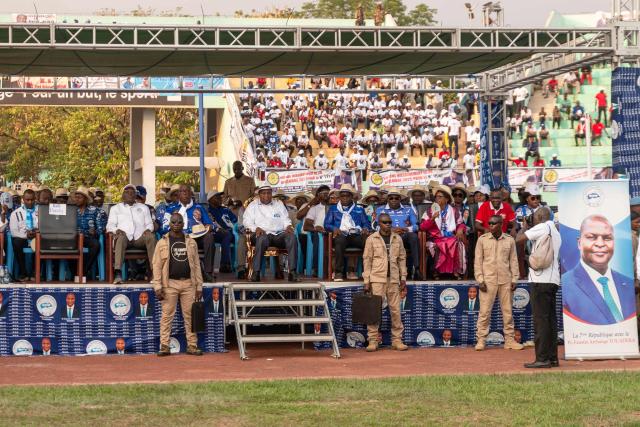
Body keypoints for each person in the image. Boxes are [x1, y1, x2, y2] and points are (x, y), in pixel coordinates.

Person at [563, 215, 636, 325]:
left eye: (607, 238)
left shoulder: (628, 283)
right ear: (579, 243)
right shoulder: (567, 284)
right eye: (592, 237)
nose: (600, 244)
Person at [153, 212, 203, 356]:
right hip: (169, 284)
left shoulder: (191, 241)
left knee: (190, 316)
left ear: (183, 224)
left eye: (179, 222)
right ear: (169, 224)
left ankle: (192, 346)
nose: (176, 225)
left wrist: (199, 286)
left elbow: (197, 266)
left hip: (188, 283)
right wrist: (157, 286)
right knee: (167, 316)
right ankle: (164, 346)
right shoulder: (162, 242)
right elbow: (156, 265)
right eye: (173, 222)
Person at [516, 207, 561, 368]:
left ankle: (542, 358)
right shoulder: (554, 230)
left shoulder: (542, 226)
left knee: (541, 321)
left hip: (541, 279)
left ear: (540, 216)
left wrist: (524, 226)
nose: (532, 219)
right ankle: (552, 358)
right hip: (552, 279)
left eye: (534, 216)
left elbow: (518, 239)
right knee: (550, 320)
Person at [474, 215, 523, 351]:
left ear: (501, 224)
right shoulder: (482, 240)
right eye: (489, 223)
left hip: (505, 280)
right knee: (484, 312)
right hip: (488, 280)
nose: (490, 225)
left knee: (507, 312)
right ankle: (481, 340)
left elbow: (513, 261)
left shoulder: (509, 240)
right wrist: (480, 280)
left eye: (493, 223)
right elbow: (478, 261)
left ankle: (509, 340)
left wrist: (514, 279)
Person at [362, 213, 408, 352]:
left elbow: (402, 259)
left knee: (395, 310)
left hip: (393, 279)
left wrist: (403, 277)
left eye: (389, 222)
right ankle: (373, 340)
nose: (388, 224)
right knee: (374, 311)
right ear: (379, 223)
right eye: (384, 222)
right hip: (377, 279)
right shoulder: (371, 239)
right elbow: (367, 260)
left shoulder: (397, 238)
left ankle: (397, 340)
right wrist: (366, 280)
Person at [160, 185, 216, 282]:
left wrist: (209, 227)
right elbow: (164, 228)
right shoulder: (171, 208)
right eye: (182, 191)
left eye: (187, 191)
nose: (185, 193)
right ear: (178, 195)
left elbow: (210, 224)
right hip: (179, 237)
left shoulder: (199, 207)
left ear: (191, 194)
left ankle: (207, 272)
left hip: (197, 237)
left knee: (209, 237)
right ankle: (172, 274)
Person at [243, 185, 298, 282]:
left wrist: (288, 226)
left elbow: (285, 219)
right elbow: (246, 221)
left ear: (271, 194)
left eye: (269, 193)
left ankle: (292, 272)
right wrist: (256, 228)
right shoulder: (253, 205)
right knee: (261, 238)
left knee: (292, 237)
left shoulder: (278, 203)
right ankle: (256, 273)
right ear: (259, 194)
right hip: (261, 234)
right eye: (264, 193)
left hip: (278, 235)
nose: (267, 195)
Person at [106, 184, 156, 284]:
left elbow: (150, 224)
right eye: (127, 192)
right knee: (120, 237)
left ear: (135, 196)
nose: (130, 194)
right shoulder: (115, 208)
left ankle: (155, 272)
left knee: (151, 236)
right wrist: (116, 230)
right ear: (122, 195)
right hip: (124, 239)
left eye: (132, 192)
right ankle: (118, 273)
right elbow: (109, 226)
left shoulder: (143, 208)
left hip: (140, 238)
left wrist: (148, 229)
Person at [324, 184, 372, 281]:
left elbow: (366, 223)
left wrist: (366, 228)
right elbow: (326, 224)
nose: (345, 198)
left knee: (369, 241)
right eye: (342, 195)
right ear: (340, 197)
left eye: (347, 195)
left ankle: (368, 271)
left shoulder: (359, 209)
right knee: (340, 241)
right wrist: (334, 229)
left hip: (356, 235)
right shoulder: (333, 209)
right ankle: (338, 272)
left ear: (352, 197)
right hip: (341, 234)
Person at [420, 185, 467, 279]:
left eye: (440, 197)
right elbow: (422, 227)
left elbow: (460, 223)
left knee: (456, 242)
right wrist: (432, 219)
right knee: (441, 244)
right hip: (435, 237)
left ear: (447, 199)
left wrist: (461, 229)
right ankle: (437, 272)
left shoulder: (454, 211)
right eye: (436, 197)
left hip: (450, 236)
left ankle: (455, 271)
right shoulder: (430, 211)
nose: (437, 199)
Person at [375, 188, 421, 280]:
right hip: (387, 236)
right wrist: (390, 230)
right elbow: (375, 226)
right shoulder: (381, 210)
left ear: (400, 199)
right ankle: (387, 271)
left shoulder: (408, 209)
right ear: (387, 199)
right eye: (391, 198)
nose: (394, 200)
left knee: (414, 236)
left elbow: (416, 226)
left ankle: (416, 268)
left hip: (404, 235)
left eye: (396, 198)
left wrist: (406, 229)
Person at [297, 185, 330, 276]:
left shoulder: (335, 207)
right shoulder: (314, 207)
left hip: (332, 233)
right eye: (324, 193)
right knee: (318, 237)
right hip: (318, 234)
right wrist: (316, 228)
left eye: (328, 193)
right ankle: (317, 268)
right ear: (318, 195)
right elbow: (306, 226)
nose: (327, 195)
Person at [74, 186, 104, 278]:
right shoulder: (72, 210)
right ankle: (75, 272)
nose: (77, 199)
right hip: (74, 237)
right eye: (76, 197)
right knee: (66, 247)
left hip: (88, 237)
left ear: (86, 199)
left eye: (80, 197)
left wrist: (95, 232)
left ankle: (83, 271)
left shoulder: (95, 210)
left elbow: (100, 228)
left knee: (96, 245)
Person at [8, 189, 38, 282]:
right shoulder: (15, 213)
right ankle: (23, 272)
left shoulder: (40, 211)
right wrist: (26, 235)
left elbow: (44, 226)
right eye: (27, 200)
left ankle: (34, 272)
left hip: (37, 237)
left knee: (42, 242)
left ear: (35, 199)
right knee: (16, 242)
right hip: (23, 238)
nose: (30, 202)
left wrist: (36, 233)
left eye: (32, 200)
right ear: (23, 199)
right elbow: (13, 232)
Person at [206, 190, 237, 274]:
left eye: (220, 197)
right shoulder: (208, 211)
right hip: (216, 233)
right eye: (217, 197)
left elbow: (235, 220)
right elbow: (210, 224)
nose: (220, 198)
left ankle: (239, 266)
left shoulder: (225, 210)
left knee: (242, 238)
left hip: (232, 232)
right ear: (210, 200)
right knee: (226, 235)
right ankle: (225, 264)